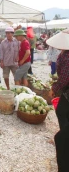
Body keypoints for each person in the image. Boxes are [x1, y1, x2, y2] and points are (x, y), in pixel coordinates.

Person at [46, 29, 69, 171]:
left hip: (67, 92)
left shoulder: (66, 56)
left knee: (60, 139)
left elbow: (65, 78)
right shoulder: (64, 54)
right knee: (62, 110)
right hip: (66, 94)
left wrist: (54, 88)